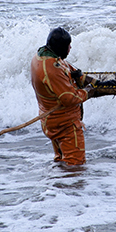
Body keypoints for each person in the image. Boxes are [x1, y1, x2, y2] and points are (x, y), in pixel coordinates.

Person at [30, 27, 97, 166]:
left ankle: (58, 185)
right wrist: (90, 91)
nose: (70, 47)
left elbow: (68, 71)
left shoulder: (42, 57)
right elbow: (68, 98)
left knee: (61, 162)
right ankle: (69, 185)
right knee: (75, 165)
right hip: (65, 125)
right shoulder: (52, 68)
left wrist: (98, 83)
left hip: (50, 121)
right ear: (61, 48)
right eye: (68, 46)